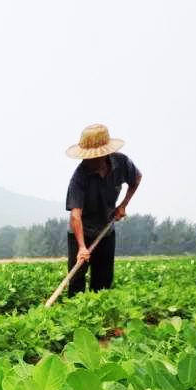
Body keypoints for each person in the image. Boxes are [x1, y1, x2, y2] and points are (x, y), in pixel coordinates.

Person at [64, 124, 142, 296]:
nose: (89, 161)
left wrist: (123, 205)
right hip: (80, 233)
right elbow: (75, 215)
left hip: (106, 230)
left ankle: (99, 316)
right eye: (87, 157)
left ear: (105, 154)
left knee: (103, 281)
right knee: (76, 280)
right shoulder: (79, 177)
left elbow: (136, 178)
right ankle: (75, 314)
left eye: (94, 157)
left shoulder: (121, 163)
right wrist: (82, 247)